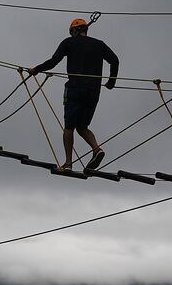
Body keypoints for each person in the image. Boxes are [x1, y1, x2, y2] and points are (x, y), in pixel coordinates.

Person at [28, 17, 119, 172]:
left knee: (69, 127)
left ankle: (68, 163)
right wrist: (111, 82)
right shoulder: (99, 44)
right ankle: (97, 149)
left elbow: (54, 61)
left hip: (75, 88)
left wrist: (36, 69)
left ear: (74, 31)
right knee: (82, 126)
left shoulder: (69, 43)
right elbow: (115, 61)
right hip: (94, 91)